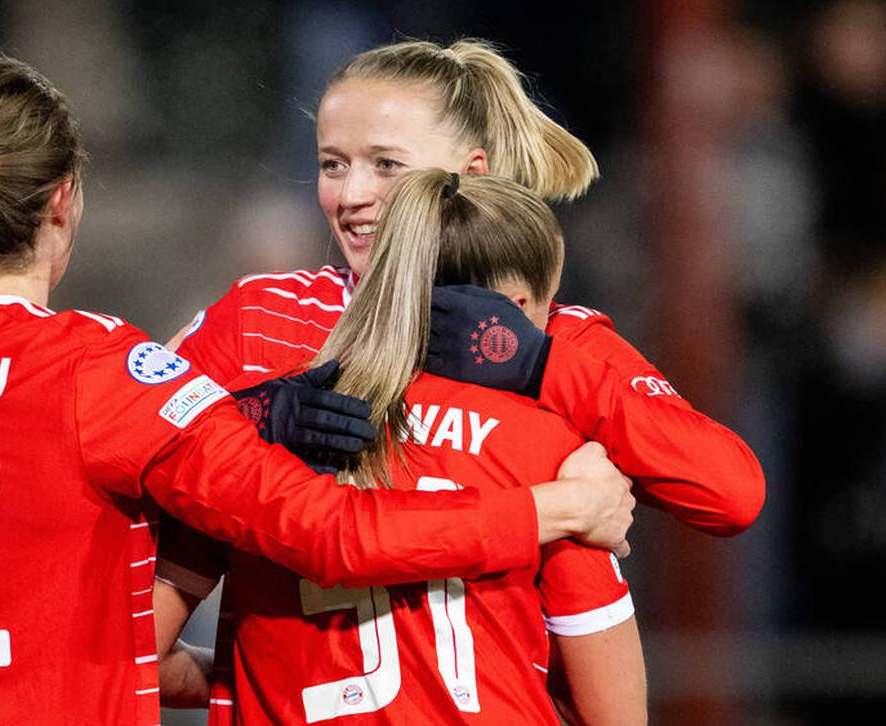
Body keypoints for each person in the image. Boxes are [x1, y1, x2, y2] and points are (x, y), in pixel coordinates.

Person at [0, 56, 635, 725]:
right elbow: (332, 533)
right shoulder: (97, 369)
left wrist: (255, 416)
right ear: (63, 201)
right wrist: (558, 510)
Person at [154, 36, 763, 714]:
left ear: (466, 173)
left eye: (386, 165)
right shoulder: (256, 319)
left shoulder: (551, 338)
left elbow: (730, 492)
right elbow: (129, 483)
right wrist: (248, 415)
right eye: (332, 164)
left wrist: (536, 364)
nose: (352, 194)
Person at [160, 170, 648, 724]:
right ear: (514, 305)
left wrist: (248, 679)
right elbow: (612, 709)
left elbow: (143, 653)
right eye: (547, 312)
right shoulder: (552, 451)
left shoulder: (255, 438)